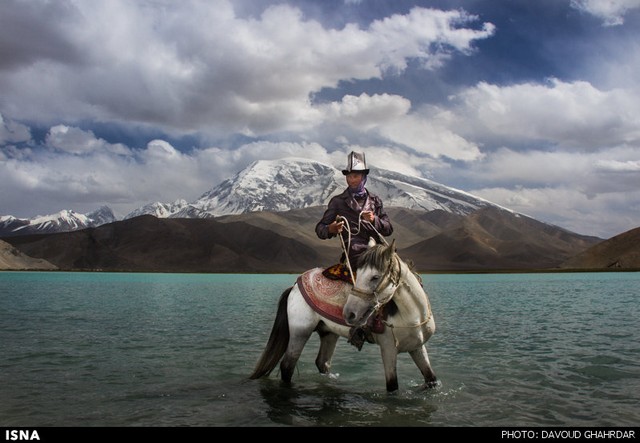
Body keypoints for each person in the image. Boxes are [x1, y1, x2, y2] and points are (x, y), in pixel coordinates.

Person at [315, 151, 393, 283]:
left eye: (355, 176)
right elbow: (320, 229)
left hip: (379, 254)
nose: (351, 180)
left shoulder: (375, 201)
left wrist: (374, 220)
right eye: (349, 176)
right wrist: (330, 229)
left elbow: (388, 229)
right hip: (355, 255)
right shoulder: (338, 202)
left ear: (363, 177)